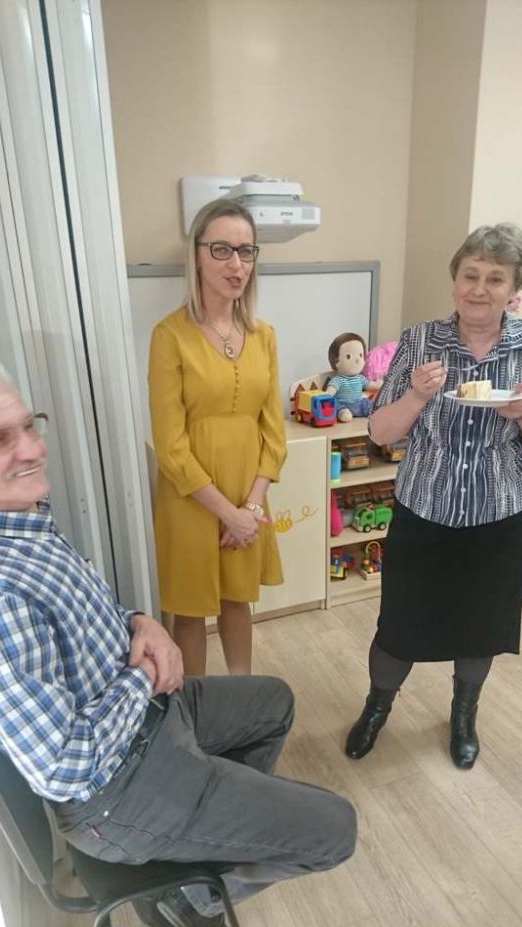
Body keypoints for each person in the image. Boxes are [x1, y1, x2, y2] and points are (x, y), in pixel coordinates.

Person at [0, 356, 356, 927]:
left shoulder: (19, 522)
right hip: (115, 789)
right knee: (335, 830)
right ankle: (193, 893)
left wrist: (139, 622)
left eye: (29, 425)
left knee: (273, 702)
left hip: (145, 717)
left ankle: (199, 845)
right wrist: (144, 673)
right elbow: (63, 767)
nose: (32, 448)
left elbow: (84, 618)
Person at [345, 222, 522, 769]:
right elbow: (380, 433)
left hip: (501, 515)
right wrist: (416, 397)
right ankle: (377, 707)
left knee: (482, 625)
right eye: (471, 275)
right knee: (400, 624)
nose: (480, 288)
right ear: (455, 281)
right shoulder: (421, 340)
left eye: (495, 278)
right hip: (425, 510)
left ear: (513, 289)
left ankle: (464, 715)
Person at [148, 199, 286, 676]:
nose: (236, 264)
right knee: (189, 610)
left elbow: (274, 432)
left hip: (248, 492)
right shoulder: (169, 335)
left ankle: (241, 697)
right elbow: (170, 444)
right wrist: (229, 513)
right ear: (198, 256)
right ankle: (196, 705)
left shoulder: (264, 335)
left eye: (246, 251)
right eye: (221, 249)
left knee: (237, 600)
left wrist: (251, 507)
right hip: (190, 496)